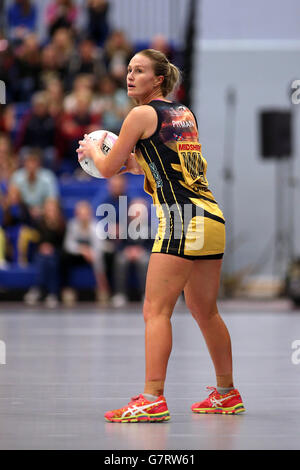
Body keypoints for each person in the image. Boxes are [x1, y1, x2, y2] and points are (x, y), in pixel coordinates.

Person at [77, 49, 245, 422]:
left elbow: (108, 167)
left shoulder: (139, 114)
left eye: (140, 71)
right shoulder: (183, 113)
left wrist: (92, 149)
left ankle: (152, 397)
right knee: (205, 311)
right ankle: (227, 393)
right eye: (129, 70)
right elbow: (153, 166)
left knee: (155, 310)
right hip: (211, 216)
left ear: (157, 80)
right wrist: (130, 163)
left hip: (182, 219)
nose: (130, 76)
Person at [60, 200, 110, 306]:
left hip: (93, 257)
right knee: (64, 257)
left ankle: (102, 288)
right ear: (76, 215)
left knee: (104, 257)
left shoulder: (96, 226)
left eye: (85, 214)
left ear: (90, 214)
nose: (83, 217)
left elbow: (99, 246)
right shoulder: (72, 225)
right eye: (80, 214)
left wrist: (90, 252)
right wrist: (82, 250)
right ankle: (67, 289)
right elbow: (68, 245)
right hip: (78, 256)